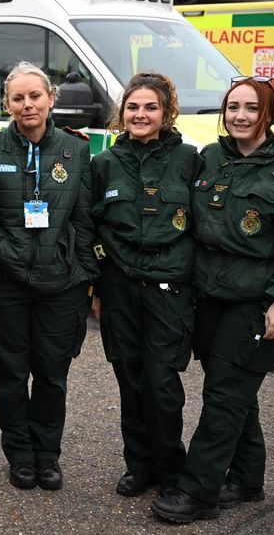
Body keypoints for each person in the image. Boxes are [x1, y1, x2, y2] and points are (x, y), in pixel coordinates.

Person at [152, 76, 274, 523]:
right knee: (236, 391)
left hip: (256, 301)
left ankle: (199, 492)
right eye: (233, 107)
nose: (240, 116)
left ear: (268, 114)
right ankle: (248, 479)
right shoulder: (212, 158)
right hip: (211, 296)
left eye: (251, 108)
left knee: (224, 395)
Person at [0, 62, 97, 492]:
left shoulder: (77, 151)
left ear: (51, 99)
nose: (28, 105)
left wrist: (84, 277)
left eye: (35, 96)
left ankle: (48, 456)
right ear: (7, 104)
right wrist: (13, 257)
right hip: (4, 284)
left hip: (61, 287)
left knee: (51, 375)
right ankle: (20, 455)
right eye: (18, 98)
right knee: (9, 375)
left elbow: (85, 223)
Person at [90, 72, 201, 497]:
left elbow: (202, 225)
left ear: (167, 113)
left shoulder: (191, 159)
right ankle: (139, 466)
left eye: (151, 107)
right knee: (131, 381)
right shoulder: (103, 164)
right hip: (120, 288)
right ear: (123, 113)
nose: (141, 114)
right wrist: (97, 290)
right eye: (133, 107)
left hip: (169, 288)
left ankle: (172, 472)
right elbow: (92, 227)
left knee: (162, 383)